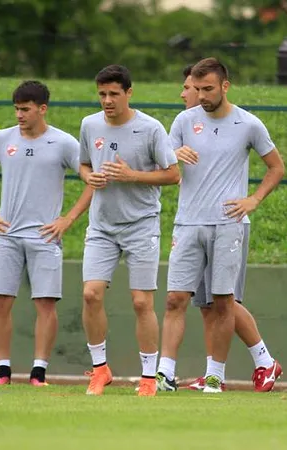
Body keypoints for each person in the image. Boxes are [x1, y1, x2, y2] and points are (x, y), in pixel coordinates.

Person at [156, 64, 282, 393]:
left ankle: (216, 376)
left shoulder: (248, 123)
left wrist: (254, 199)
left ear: (225, 86)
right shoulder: (184, 121)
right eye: (197, 89)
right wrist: (172, 154)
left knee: (223, 302)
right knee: (175, 299)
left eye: (208, 89)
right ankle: (164, 374)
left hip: (228, 224)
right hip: (187, 223)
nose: (201, 96)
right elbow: (165, 164)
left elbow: (276, 167)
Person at [0, 80, 93, 387]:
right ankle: (2, 371)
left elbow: (92, 180)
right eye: (16, 109)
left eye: (25, 109)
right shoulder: (2, 139)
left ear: (42, 109)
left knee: (45, 303)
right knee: (0, 301)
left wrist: (68, 218)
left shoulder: (64, 143)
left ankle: (39, 373)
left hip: (45, 236)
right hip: (6, 235)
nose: (20, 115)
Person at [78, 64, 180, 397]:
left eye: (114, 94)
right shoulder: (89, 125)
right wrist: (87, 177)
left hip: (141, 225)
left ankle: (149, 378)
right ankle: (99, 369)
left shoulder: (150, 128)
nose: (107, 101)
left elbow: (172, 174)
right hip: (102, 226)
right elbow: (83, 163)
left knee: (140, 303)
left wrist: (132, 176)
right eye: (102, 94)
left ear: (128, 93)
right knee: (91, 294)